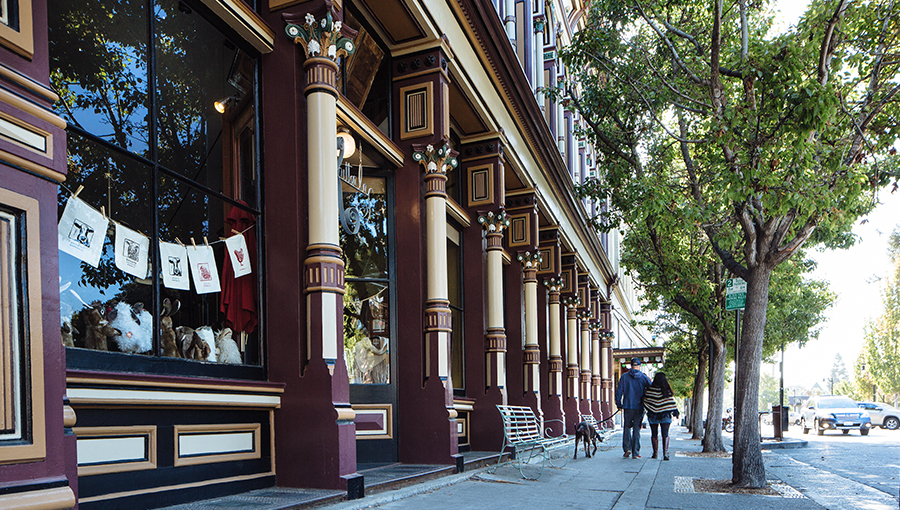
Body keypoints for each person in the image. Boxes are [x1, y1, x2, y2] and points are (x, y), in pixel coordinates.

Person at [615, 357, 651, 459]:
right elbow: (651, 389)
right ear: (639, 366)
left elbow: (619, 392)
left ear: (631, 366)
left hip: (627, 406)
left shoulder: (624, 377)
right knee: (636, 429)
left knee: (627, 428)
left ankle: (627, 449)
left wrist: (619, 404)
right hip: (639, 407)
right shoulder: (644, 378)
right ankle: (635, 452)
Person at [643, 372, 680, 460]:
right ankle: (665, 453)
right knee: (665, 434)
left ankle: (655, 453)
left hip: (653, 416)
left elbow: (646, 400)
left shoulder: (650, 390)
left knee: (654, 434)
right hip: (665, 416)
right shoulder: (666, 391)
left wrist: (651, 408)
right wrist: (675, 412)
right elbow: (671, 403)